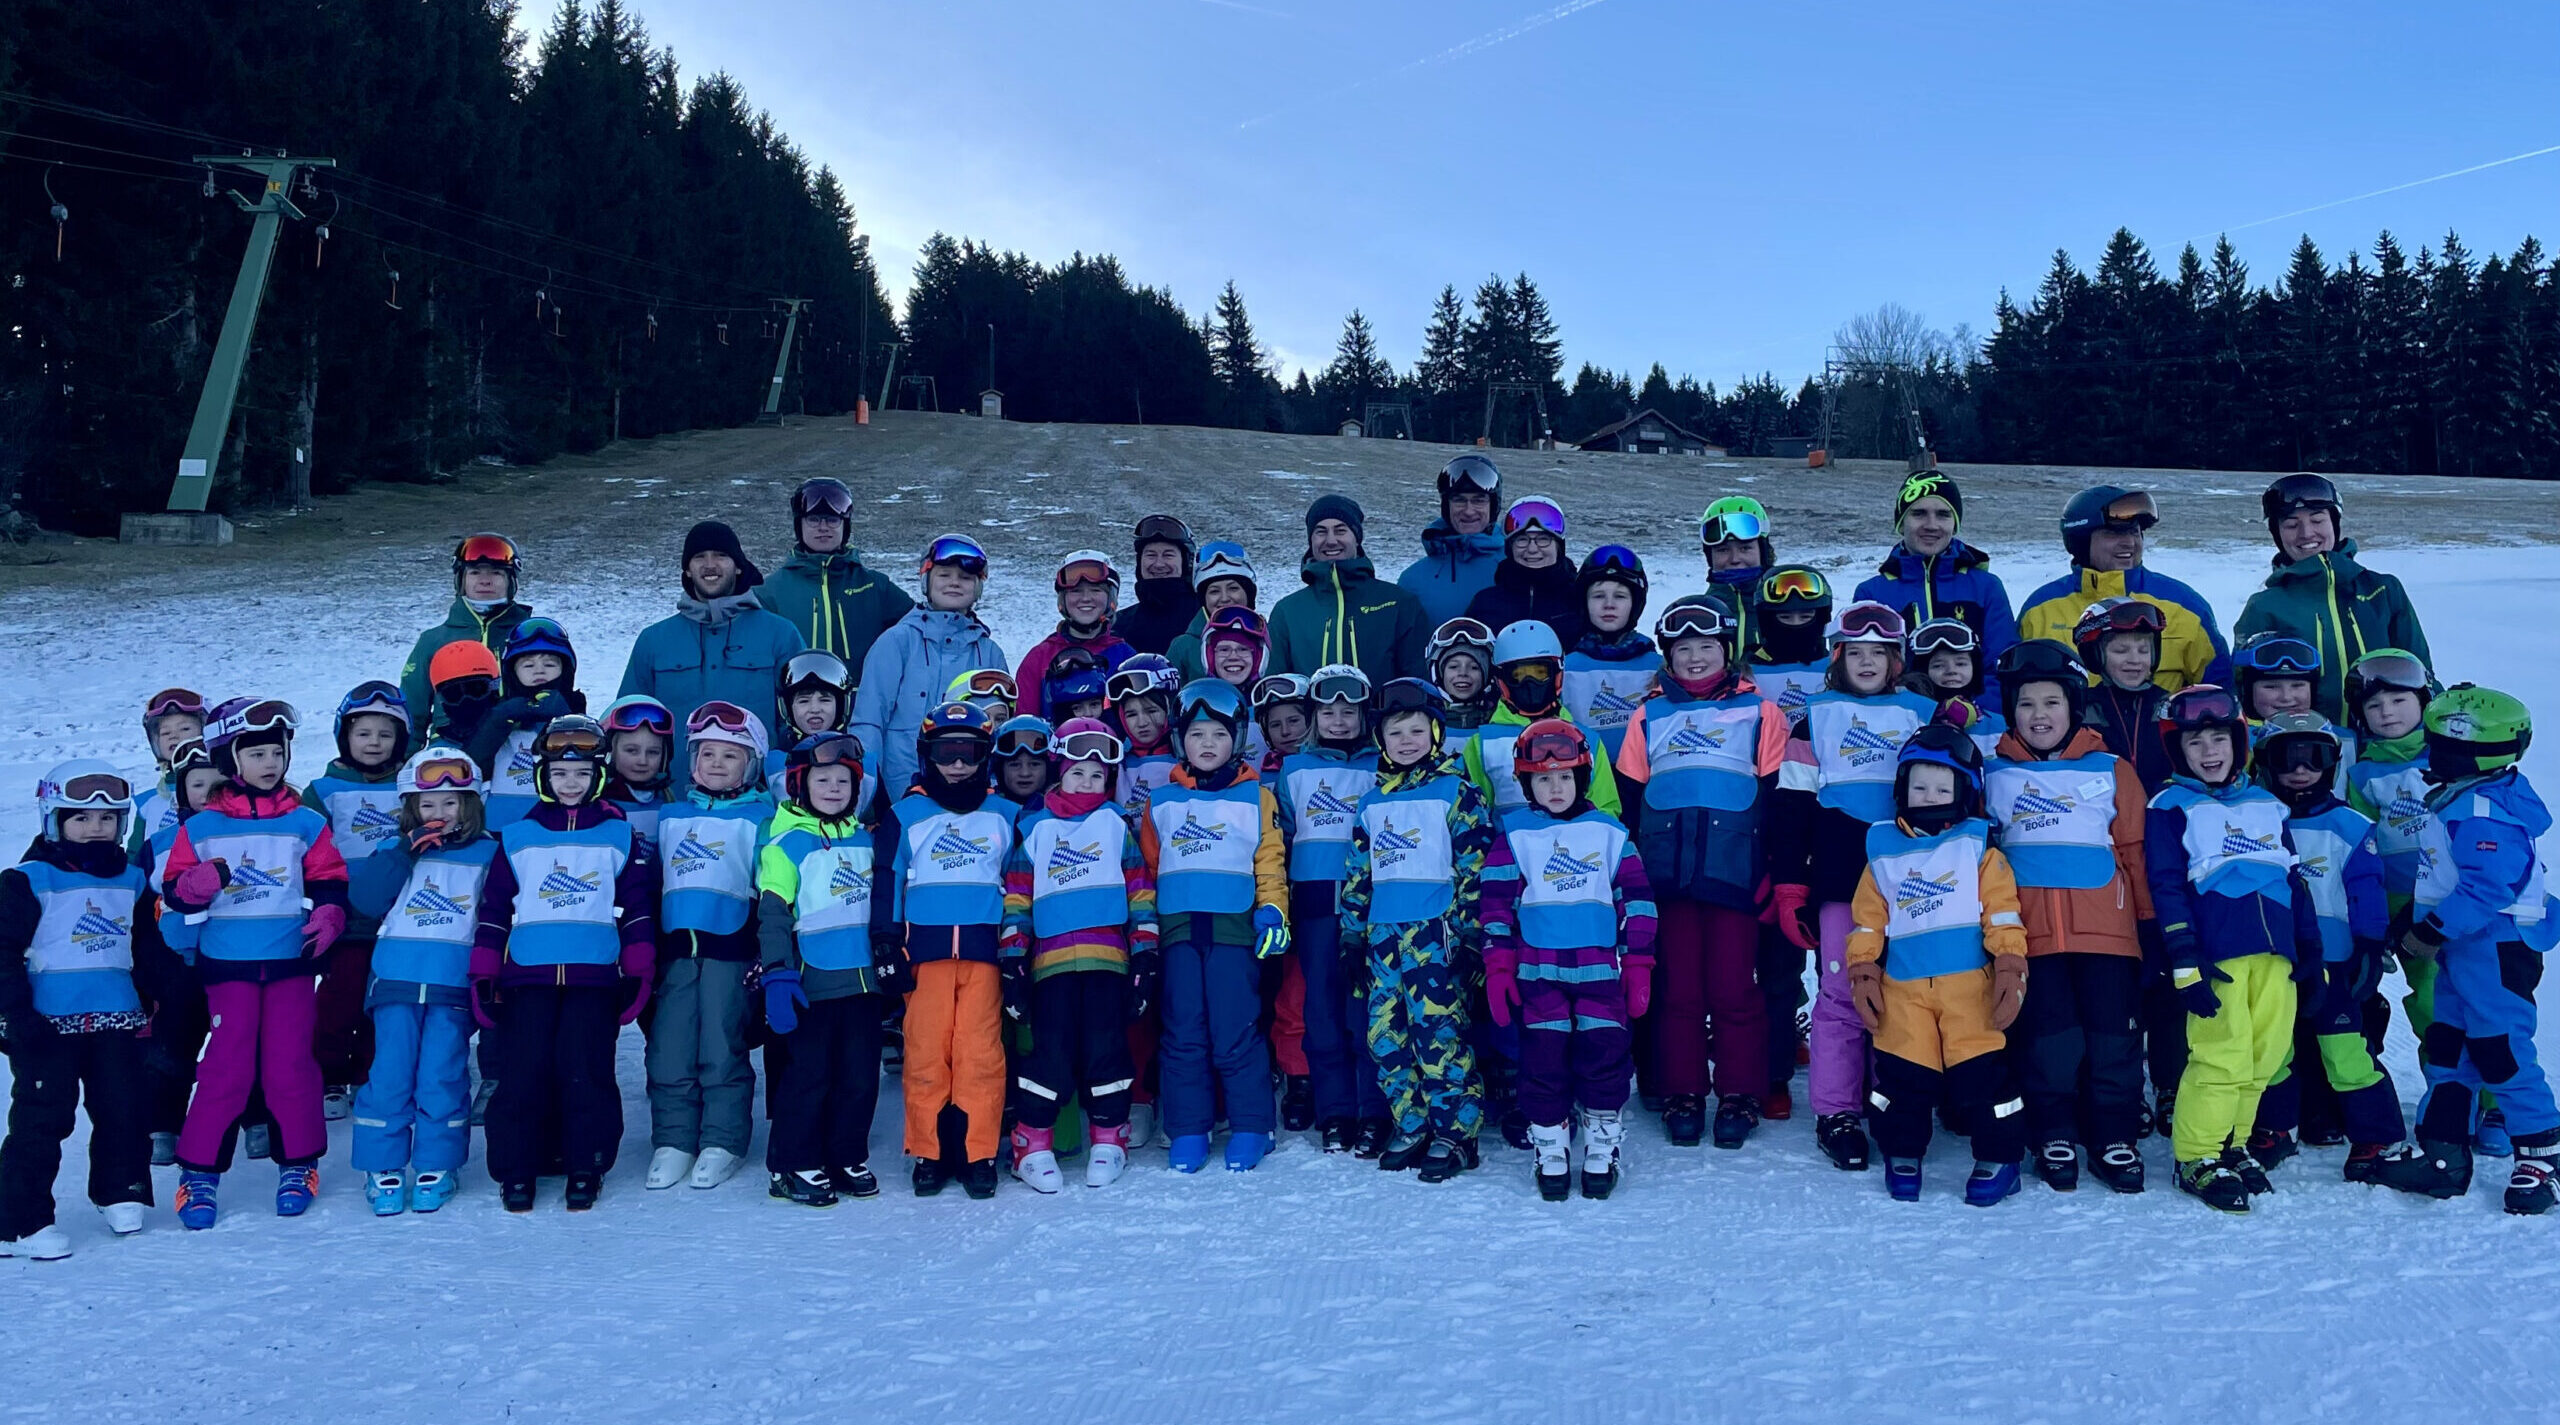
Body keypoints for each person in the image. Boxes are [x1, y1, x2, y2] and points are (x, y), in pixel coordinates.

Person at [159, 698, 351, 1228]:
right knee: (228, 1067)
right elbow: (174, 889)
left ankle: (299, 1164)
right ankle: (198, 1173)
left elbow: (329, 877)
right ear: (229, 757)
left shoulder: (306, 823)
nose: (270, 762)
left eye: (277, 751)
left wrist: (331, 915)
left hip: (291, 963)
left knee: (290, 1065)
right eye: (256, 753)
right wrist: (194, 887)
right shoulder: (201, 827)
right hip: (228, 967)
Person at [2373, 685, 2560, 1213]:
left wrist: (2428, 931)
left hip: (2497, 947)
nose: (2429, 752)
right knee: (2448, 1042)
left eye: (2436, 743)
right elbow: (2446, 875)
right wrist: (2414, 916)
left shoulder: (2481, 809)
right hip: (2466, 944)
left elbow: (2486, 887)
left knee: (2499, 1047)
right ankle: (2443, 1155)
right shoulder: (2462, 793)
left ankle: (2542, 1158)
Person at [1613, 596, 1788, 1149]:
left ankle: (1740, 1091)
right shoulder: (1648, 715)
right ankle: (1682, 1089)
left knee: (1735, 988)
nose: (1694, 658)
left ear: (1727, 650)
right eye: (1682, 648)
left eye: (1706, 647)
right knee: (1677, 990)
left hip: (1736, 875)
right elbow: (1629, 799)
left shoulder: (1762, 712)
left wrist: (1773, 871)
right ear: (1667, 654)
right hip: (1667, 879)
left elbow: (1777, 797)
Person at [1770, 602, 1938, 1173]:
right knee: (1843, 996)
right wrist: (1791, 884)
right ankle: (1835, 1111)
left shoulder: (1925, 714)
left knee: (1902, 993)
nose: (1867, 662)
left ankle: (1888, 1099)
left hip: (1913, 880)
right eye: (1855, 652)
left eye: (1880, 653)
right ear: (1837, 658)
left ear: (1897, 660)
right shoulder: (1810, 719)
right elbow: (1790, 811)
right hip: (1841, 880)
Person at [1982, 640, 2153, 1194]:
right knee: (2049, 1041)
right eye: (2027, 704)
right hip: (2031, 937)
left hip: (2108, 933)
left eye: (2052, 703)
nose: (2039, 716)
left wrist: (2148, 923)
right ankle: (2052, 1129)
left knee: (2112, 1040)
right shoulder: (1992, 774)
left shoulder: (2111, 769)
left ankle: (2113, 1135)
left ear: (2073, 707)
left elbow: (2133, 849)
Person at [2143, 685, 2321, 1214]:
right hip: (2216, 956)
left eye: (2219, 739)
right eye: (2195, 744)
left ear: (2238, 741)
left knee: (2262, 1057)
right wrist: (2183, 960)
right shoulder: (2171, 805)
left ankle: (2232, 1143)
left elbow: (2294, 879)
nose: (2209, 752)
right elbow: (2167, 885)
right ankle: (2196, 1155)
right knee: (2221, 1055)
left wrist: (2308, 944)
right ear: (2179, 752)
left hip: (2276, 955)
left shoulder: (2267, 803)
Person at [472, 715, 657, 1213]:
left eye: (580, 774)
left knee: (586, 1072)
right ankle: (518, 1169)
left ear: (597, 775)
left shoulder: (618, 836)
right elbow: (493, 910)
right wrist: (484, 972)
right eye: (559, 774)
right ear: (542, 777)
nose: (570, 783)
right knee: (523, 1074)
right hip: (526, 979)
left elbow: (635, 908)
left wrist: (639, 969)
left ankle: (585, 1164)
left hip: (593, 979)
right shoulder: (517, 836)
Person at [1843, 723, 2031, 1206]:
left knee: (1984, 1076)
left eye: (1942, 787)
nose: (1929, 796)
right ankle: (1901, 1151)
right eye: (1918, 786)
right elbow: (1867, 920)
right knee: (1905, 1076)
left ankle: (2000, 1155)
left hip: (1971, 987)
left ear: (1964, 792)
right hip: (1903, 987)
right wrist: (1863, 970)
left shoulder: (1977, 846)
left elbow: (2002, 911)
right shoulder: (1882, 849)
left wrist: (2010, 964)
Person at [1482, 720, 1655, 1200]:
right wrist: (1498, 966)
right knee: (1542, 1064)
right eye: (1542, 778)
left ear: (1582, 777)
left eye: (1564, 777)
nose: (1554, 788)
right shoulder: (1514, 835)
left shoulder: (1610, 833)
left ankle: (1602, 1143)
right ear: (1526, 783)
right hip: (1539, 977)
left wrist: (1639, 961)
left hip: (1601, 975)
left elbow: (1638, 901)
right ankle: (1551, 1147)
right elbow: (1495, 907)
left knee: (1605, 1059)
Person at [0, 762, 162, 1258]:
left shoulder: (133, 879)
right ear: (54, 821)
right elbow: (3, 952)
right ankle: (18, 1222)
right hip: (46, 1024)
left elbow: (148, 945)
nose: (96, 829)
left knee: (122, 1106)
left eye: (107, 819)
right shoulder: (29, 880)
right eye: (81, 818)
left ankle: (120, 1190)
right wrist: (14, 1016)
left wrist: (155, 996)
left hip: (116, 1015)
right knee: (44, 1117)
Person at [1340, 679, 1495, 1182]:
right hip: (1383, 939)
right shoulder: (1371, 803)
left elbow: (1474, 869)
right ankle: (1413, 1121)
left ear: (1434, 732)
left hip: (1436, 937)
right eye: (1395, 732)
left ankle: (1455, 1130)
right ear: (1380, 739)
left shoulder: (1456, 791)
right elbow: (1359, 872)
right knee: (1385, 1035)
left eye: (1415, 730)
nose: (1406, 740)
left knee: (1438, 1034)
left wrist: (1472, 936)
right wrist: (1351, 933)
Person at [1136, 681, 1290, 1173]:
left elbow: (1269, 859)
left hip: (1233, 932)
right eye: (1197, 734)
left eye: (1218, 735)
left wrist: (1273, 910)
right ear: (1181, 740)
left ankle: (1250, 1124)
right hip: (1178, 932)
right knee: (1183, 1032)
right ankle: (1188, 1128)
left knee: (1235, 1029)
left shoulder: (1256, 797)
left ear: (1236, 740)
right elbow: (1147, 866)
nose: (1207, 744)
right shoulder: (1161, 800)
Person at [874, 701, 1020, 1200]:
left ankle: (978, 1153)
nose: (957, 765)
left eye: (969, 753)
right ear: (926, 755)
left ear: (985, 757)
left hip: (984, 954)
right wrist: (886, 942)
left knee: (979, 1054)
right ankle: (930, 1153)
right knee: (926, 1054)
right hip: (925, 956)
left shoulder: (1005, 813)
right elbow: (888, 879)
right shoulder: (906, 814)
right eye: (946, 753)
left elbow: (1019, 883)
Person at [1000, 719, 1153, 1191]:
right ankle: (1032, 1140)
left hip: (1108, 964)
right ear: (1058, 775)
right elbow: (1018, 897)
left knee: (1106, 1050)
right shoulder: (1036, 829)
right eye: (1076, 774)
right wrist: (1013, 961)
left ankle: (1110, 1136)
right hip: (1053, 968)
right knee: (1052, 1053)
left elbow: (1140, 893)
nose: (1086, 784)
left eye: (1095, 776)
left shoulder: (1115, 826)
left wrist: (1146, 956)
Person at [2249, 713, 2404, 1177]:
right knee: (2274, 1046)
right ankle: (2276, 1127)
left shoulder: (2350, 826)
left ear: (2331, 762)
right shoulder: (2256, 818)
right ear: (2266, 764)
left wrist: (2370, 948)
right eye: (2287, 759)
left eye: (2313, 758)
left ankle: (2377, 1136)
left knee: (2345, 1051)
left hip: (2335, 962)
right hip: (2276, 958)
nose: (2300, 770)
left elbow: (2367, 893)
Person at [353, 744, 496, 1217]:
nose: (439, 813)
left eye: (451, 802)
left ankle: (438, 1161)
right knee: (390, 1074)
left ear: (471, 804)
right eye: (427, 804)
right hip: (395, 979)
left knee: (442, 1073)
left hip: (451, 984)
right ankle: (383, 1163)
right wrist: (401, 854)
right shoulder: (393, 851)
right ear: (411, 808)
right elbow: (368, 900)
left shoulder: (488, 853)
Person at [643, 702, 774, 1194]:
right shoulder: (671, 816)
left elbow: (771, 887)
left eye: (731, 756)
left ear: (753, 765)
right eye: (708, 753)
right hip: (677, 952)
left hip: (731, 951)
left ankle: (724, 1139)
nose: (717, 763)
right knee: (669, 1049)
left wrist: (764, 950)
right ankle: (674, 1139)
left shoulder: (762, 819)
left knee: (722, 1047)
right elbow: (652, 883)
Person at [757, 730, 891, 1207]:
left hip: (863, 982)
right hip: (811, 984)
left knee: (859, 1076)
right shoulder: (786, 845)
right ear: (799, 784)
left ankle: (845, 1154)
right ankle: (794, 1162)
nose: (834, 788)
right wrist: (777, 972)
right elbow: (773, 914)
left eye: (844, 780)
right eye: (823, 779)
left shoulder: (866, 840)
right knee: (808, 1077)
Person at [1276, 665, 1386, 1154]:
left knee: (1364, 1008)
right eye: (1328, 711)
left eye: (1349, 711)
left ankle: (1374, 1109)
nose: (1339, 720)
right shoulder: (1294, 770)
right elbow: (1280, 835)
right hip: (1315, 899)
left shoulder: (1379, 765)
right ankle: (1335, 1108)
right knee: (1319, 1006)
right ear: (1313, 716)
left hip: (1370, 901)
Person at [303, 682, 417, 1122]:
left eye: (386, 735)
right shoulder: (324, 790)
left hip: (397, 918)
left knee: (382, 1000)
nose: (374, 743)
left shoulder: (411, 785)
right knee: (338, 999)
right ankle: (329, 1073)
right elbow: (306, 850)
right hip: (345, 920)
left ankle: (367, 1072)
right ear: (344, 736)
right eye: (364, 733)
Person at [617, 520, 808, 780]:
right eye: (699, 557)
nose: (709, 565)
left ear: (739, 566)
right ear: (687, 569)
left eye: (720, 556)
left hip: (757, 803)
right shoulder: (654, 640)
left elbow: (800, 722)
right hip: (674, 799)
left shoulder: (781, 635)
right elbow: (627, 721)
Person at [2234, 473, 2432, 723]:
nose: (2306, 533)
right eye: (2291, 525)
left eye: (2317, 520)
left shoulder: (2383, 590)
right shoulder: (2264, 607)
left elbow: (2422, 673)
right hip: (2308, 753)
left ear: (2334, 524)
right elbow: (2244, 693)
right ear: (2278, 534)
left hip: (2387, 747)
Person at [2017, 485, 2231, 693]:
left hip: (2157, 728)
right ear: (2080, 541)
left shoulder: (2185, 606)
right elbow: (2014, 691)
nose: (2129, 543)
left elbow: (2219, 693)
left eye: (2135, 533)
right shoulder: (2040, 610)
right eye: (2113, 534)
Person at [850, 534, 1007, 804]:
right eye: (944, 575)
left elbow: (999, 727)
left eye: (966, 578)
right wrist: (867, 790)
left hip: (970, 795)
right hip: (899, 794)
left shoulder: (989, 652)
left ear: (978, 588)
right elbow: (869, 721)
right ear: (926, 581)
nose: (954, 583)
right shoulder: (897, 642)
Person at [1851, 472, 2018, 688]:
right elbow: (1865, 670)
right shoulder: (1872, 593)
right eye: (1919, 513)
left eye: (1943, 515)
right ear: (1901, 523)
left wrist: (1972, 710)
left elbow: (2002, 667)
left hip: (1974, 716)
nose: (1931, 525)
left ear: (1955, 524)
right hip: (1900, 715)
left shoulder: (1986, 587)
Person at [1463, 621, 1622, 821]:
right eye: (1518, 675)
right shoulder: (1482, 744)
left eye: (1540, 673)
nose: (1530, 684)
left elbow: (1605, 810)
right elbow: (1475, 814)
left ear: (1557, 675)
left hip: (1575, 847)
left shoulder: (1587, 740)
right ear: (1502, 681)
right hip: (1508, 849)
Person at [1268, 495, 1429, 686]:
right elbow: (1275, 686)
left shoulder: (1398, 603)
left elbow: (1418, 682)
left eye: (1340, 530)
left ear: (1357, 538)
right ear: (1311, 540)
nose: (1331, 540)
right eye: (1321, 532)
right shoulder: (1288, 612)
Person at [758, 477, 913, 673]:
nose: (823, 527)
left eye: (832, 519)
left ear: (844, 525)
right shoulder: (770, 592)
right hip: (800, 701)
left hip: (863, 701)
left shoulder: (875, 586)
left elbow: (920, 627)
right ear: (800, 525)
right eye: (813, 519)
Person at [400, 534, 536, 731]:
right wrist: (404, 758)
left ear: (511, 581)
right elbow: (412, 710)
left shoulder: (531, 636)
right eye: (474, 572)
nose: (485, 581)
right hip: (452, 743)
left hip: (520, 743)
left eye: (496, 573)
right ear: (461, 579)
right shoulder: (434, 640)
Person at [473, 618, 586, 829]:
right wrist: (498, 722)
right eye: (528, 664)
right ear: (512, 671)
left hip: (559, 821)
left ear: (566, 670)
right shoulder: (498, 715)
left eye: (550, 664)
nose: (539, 670)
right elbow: (473, 764)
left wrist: (566, 718)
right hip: (500, 821)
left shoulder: (577, 715)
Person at [1562, 546, 1660, 764]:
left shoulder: (1657, 667)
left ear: (1635, 603)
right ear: (1584, 602)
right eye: (1598, 596)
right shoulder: (1568, 668)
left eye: (1620, 596)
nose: (1609, 605)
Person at [2072, 599, 2174, 794]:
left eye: (2144, 650)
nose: (2135, 660)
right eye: (2121, 650)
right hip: (2101, 814)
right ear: (2095, 655)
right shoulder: (2080, 709)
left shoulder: (2170, 707)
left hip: (2163, 813)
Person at [1017, 551, 1135, 715]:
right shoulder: (1038, 659)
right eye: (1076, 591)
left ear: (1111, 598)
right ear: (1063, 600)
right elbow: (1025, 727)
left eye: (1095, 590)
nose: (1086, 598)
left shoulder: (1125, 657)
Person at [1398, 453, 1506, 627]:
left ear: (1493, 506)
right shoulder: (1413, 580)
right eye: (1459, 500)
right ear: (1446, 506)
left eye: (1479, 501)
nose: (1469, 511)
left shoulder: (1516, 567)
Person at [1464, 495, 1585, 650]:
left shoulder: (1579, 600)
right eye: (1522, 540)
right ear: (1510, 548)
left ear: (1558, 547)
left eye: (1543, 539)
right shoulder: (1485, 602)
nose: (1532, 549)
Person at [1907, 617, 2004, 758]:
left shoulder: (1999, 727)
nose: (1951, 671)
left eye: (1961, 664)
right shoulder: (1910, 722)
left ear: (1975, 669)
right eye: (1938, 665)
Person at [1169, 541, 1258, 683]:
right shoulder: (1184, 646)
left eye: (1233, 588)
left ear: (1248, 593)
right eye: (1214, 591)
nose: (1224, 598)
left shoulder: (1268, 639)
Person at [1106, 655, 1184, 817]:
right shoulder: (1116, 765)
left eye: (1152, 711)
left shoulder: (1189, 759)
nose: (1142, 722)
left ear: (1170, 709)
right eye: (1131, 715)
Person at [133, 688, 209, 853]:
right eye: (165, 732)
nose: (174, 736)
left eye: (185, 729)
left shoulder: (222, 787)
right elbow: (135, 855)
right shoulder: (148, 803)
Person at [1115, 514, 1201, 656]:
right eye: (1151, 555)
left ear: (1186, 563)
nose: (1159, 564)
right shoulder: (1120, 624)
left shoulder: (1205, 617)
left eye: (1168, 555)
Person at [1697, 496, 1775, 650]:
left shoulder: (1785, 609)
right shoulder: (1700, 613)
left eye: (1745, 548)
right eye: (1723, 550)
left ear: (1763, 551)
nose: (1735, 559)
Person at [599, 696, 675, 852]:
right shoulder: (594, 806)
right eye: (631, 750)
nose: (642, 760)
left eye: (653, 752)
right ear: (608, 751)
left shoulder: (669, 806)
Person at [771, 650, 856, 789]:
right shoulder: (774, 765)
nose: (815, 709)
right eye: (804, 701)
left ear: (841, 705)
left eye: (825, 700)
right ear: (787, 707)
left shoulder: (859, 759)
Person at [1428, 618, 1499, 751]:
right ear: (1438, 673)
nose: (1463, 673)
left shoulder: (1501, 722)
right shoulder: (1421, 727)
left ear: (1488, 675)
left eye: (1474, 667)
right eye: (1454, 666)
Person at [993, 716, 1056, 804]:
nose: (1025, 773)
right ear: (1000, 770)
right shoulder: (983, 810)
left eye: (1034, 764)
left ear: (1049, 768)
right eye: (1015, 765)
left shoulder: (1068, 812)